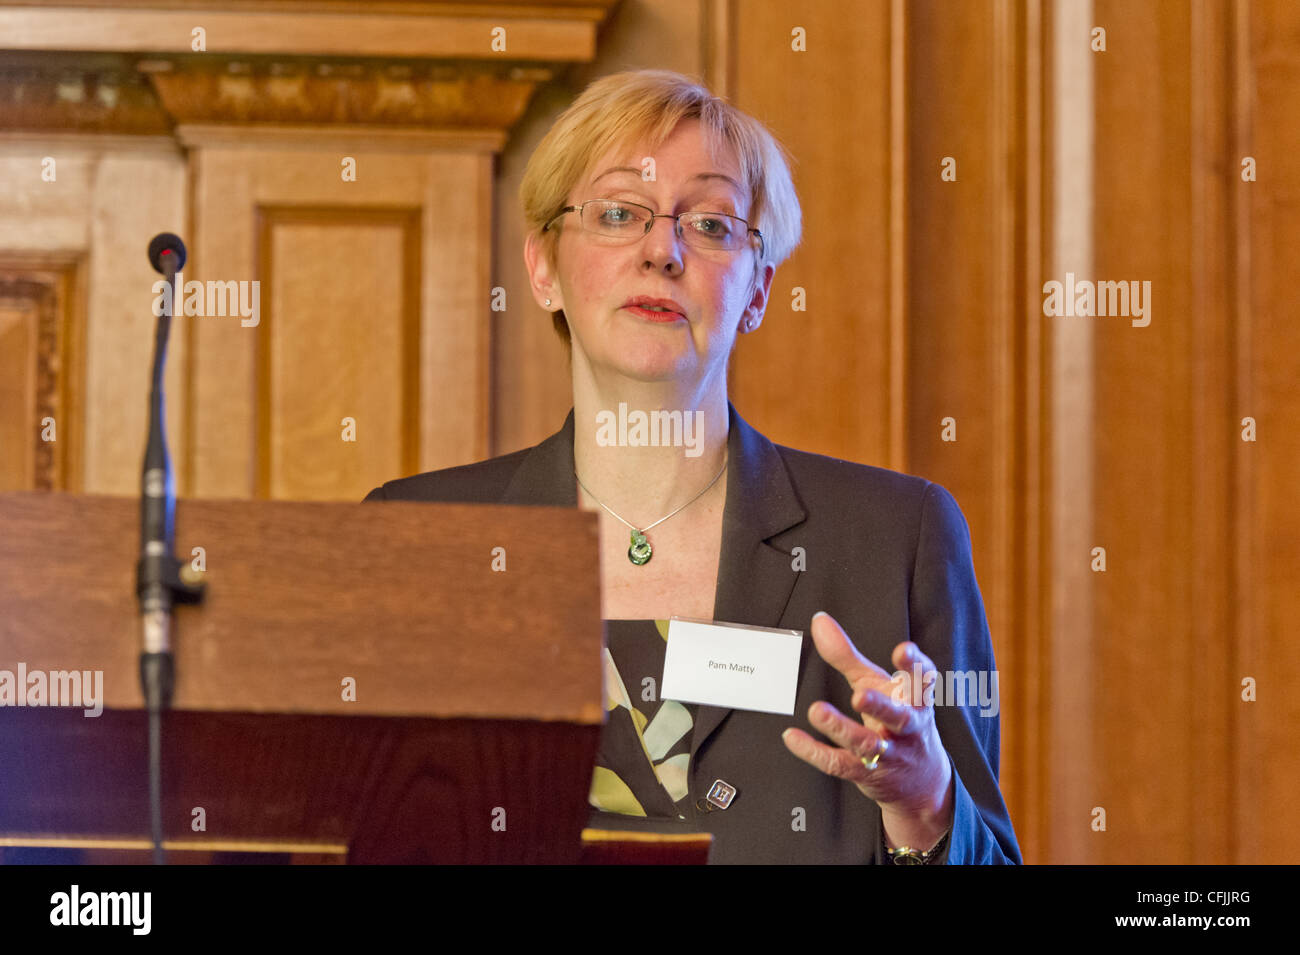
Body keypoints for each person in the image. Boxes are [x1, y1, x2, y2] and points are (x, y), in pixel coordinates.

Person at [365, 69, 1021, 864]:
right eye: (616, 214)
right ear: (543, 268)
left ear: (757, 290)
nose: (661, 250)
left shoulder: (895, 538)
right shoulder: (419, 539)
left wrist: (926, 806)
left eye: (710, 225)